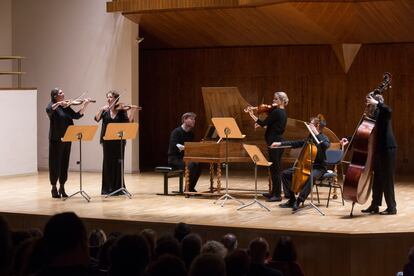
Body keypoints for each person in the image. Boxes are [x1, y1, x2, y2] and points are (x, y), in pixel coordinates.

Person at [341, 94, 397, 215]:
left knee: (387, 179)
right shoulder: (370, 116)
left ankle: (392, 208)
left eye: (369, 103)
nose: (367, 105)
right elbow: (364, 135)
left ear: (376, 103)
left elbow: (389, 110)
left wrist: (377, 103)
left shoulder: (383, 112)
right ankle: (375, 205)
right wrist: (348, 139)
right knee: (377, 179)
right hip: (376, 150)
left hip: (387, 149)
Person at [275, 114, 330, 211]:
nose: (309, 126)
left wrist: (316, 133)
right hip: (305, 166)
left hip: (319, 167)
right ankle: (292, 199)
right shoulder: (309, 138)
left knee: (312, 177)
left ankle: (299, 200)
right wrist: (280, 144)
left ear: (317, 126)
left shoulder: (324, 138)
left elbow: (325, 145)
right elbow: (296, 143)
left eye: (311, 125)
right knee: (285, 174)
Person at [46, 88, 90, 198]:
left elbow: (76, 116)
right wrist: (59, 103)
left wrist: (84, 105)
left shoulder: (66, 107)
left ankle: (62, 186)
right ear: (55, 96)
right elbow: (49, 110)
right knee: (55, 164)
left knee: (64, 163)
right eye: (60, 93)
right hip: (56, 140)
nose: (63, 93)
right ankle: (53, 188)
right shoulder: (52, 105)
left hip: (67, 138)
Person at [246, 91, 289, 202]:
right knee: (273, 168)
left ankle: (277, 195)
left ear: (281, 101)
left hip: (275, 143)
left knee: (275, 169)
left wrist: (251, 115)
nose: (273, 101)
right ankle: (273, 192)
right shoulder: (282, 112)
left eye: (275, 99)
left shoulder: (277, 112)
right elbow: (270, 126)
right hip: (276, 141)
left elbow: (263, 123)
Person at [94, 90, 138, 195]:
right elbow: (96, 118)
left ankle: (119, 188)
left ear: (116, 99)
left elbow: (128, 123)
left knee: (119, 163)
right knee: (107, 164)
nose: (109, 99)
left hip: (119, 141)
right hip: (107, 141)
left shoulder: (122, 111)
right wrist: (100, 109)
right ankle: (107, 189)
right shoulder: (105, 111)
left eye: (111, 97)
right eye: (108, 97)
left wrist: (133, 111)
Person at [168, 112, 201, 192]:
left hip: (185, 158)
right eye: (191, 119)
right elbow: (174, 145)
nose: (194, 121)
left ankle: (190, 187)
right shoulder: (176, 132)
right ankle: (187, 188)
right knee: (191, 165)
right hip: (174, 159)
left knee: (199, 164)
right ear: (184, 120)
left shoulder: (191, 134)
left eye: (194, 119)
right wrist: (184, 147)